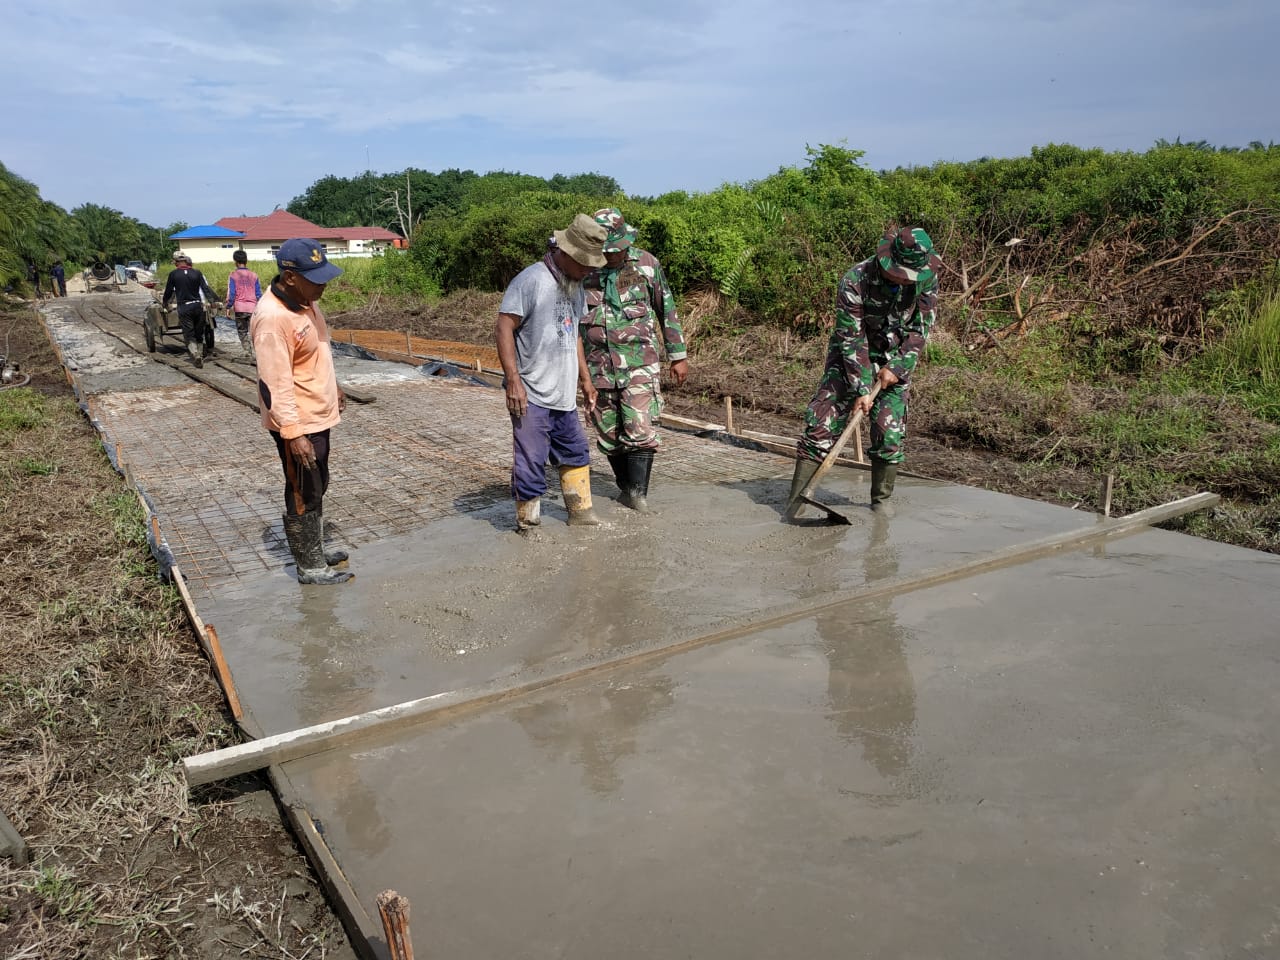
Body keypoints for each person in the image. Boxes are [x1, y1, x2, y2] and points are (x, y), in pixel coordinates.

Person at [786, 227, 941, 518]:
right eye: (900, 273)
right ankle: (796, 504)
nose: (905, 280)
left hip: (895, 357)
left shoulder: (927, 277)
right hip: (850, 356)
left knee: (888, 433)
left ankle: (881, 503)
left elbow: (921, 330)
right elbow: (851, 338)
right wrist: (860, 388)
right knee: (819, 426)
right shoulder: (855, 280)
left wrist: (896, 367)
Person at [495, 213, 607, 532]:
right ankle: (529, 524)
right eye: (584, 263)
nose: (588, 270)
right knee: (531, 461)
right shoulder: (531, 281)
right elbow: (504, 326)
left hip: (563, 392)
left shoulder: (576, 286)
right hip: (531, 393)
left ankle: (581, 514)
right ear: (567, 253)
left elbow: (573, 336)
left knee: (575, 450)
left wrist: (585, 380)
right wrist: (513, 381)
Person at [250, 238, 352, 585]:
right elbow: (274, 385)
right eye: (315, 278)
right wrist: (293, 434)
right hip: (297, 422)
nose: (323, 285)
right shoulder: (273, 319)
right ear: (290, 276)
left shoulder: (305, 302)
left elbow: (315, 351)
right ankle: (309, 566)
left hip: (317, 413)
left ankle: (315, 548)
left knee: (318, 482)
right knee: (302, 487)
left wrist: (333, 385)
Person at [580, 208, 689, 513]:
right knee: (610, 433)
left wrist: (677, 355)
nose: (613, 255)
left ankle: (639, 496)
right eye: (607, 250)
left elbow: (665, 308)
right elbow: (571, 322)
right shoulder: (583, 270)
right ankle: (626, 489)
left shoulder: (646, 264)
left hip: (640, 363)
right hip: (598, 366)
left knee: (640, 429)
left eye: (617, 249)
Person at [161, 251, 219, 367]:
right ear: (187, 262)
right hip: (198, 306)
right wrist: (212, 301)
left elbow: (169, 291)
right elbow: (205, 288)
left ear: (177, 263)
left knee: (189, 334)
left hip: (184, 307)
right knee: (199, 332)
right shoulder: (197, 273)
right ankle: (200, 353)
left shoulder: (174, 274)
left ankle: (195, 354)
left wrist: (165, 303)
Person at [225, 249, 262, 359]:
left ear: (235, 261)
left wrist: (228, 307)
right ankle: (259, 353)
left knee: (242, 331)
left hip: (240, 308)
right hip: (253, 308)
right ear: (246, 261)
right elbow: (259, 294)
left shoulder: (233, 275)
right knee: (255, 332)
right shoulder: (254, 275)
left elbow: (232, 294)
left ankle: (247, 352)